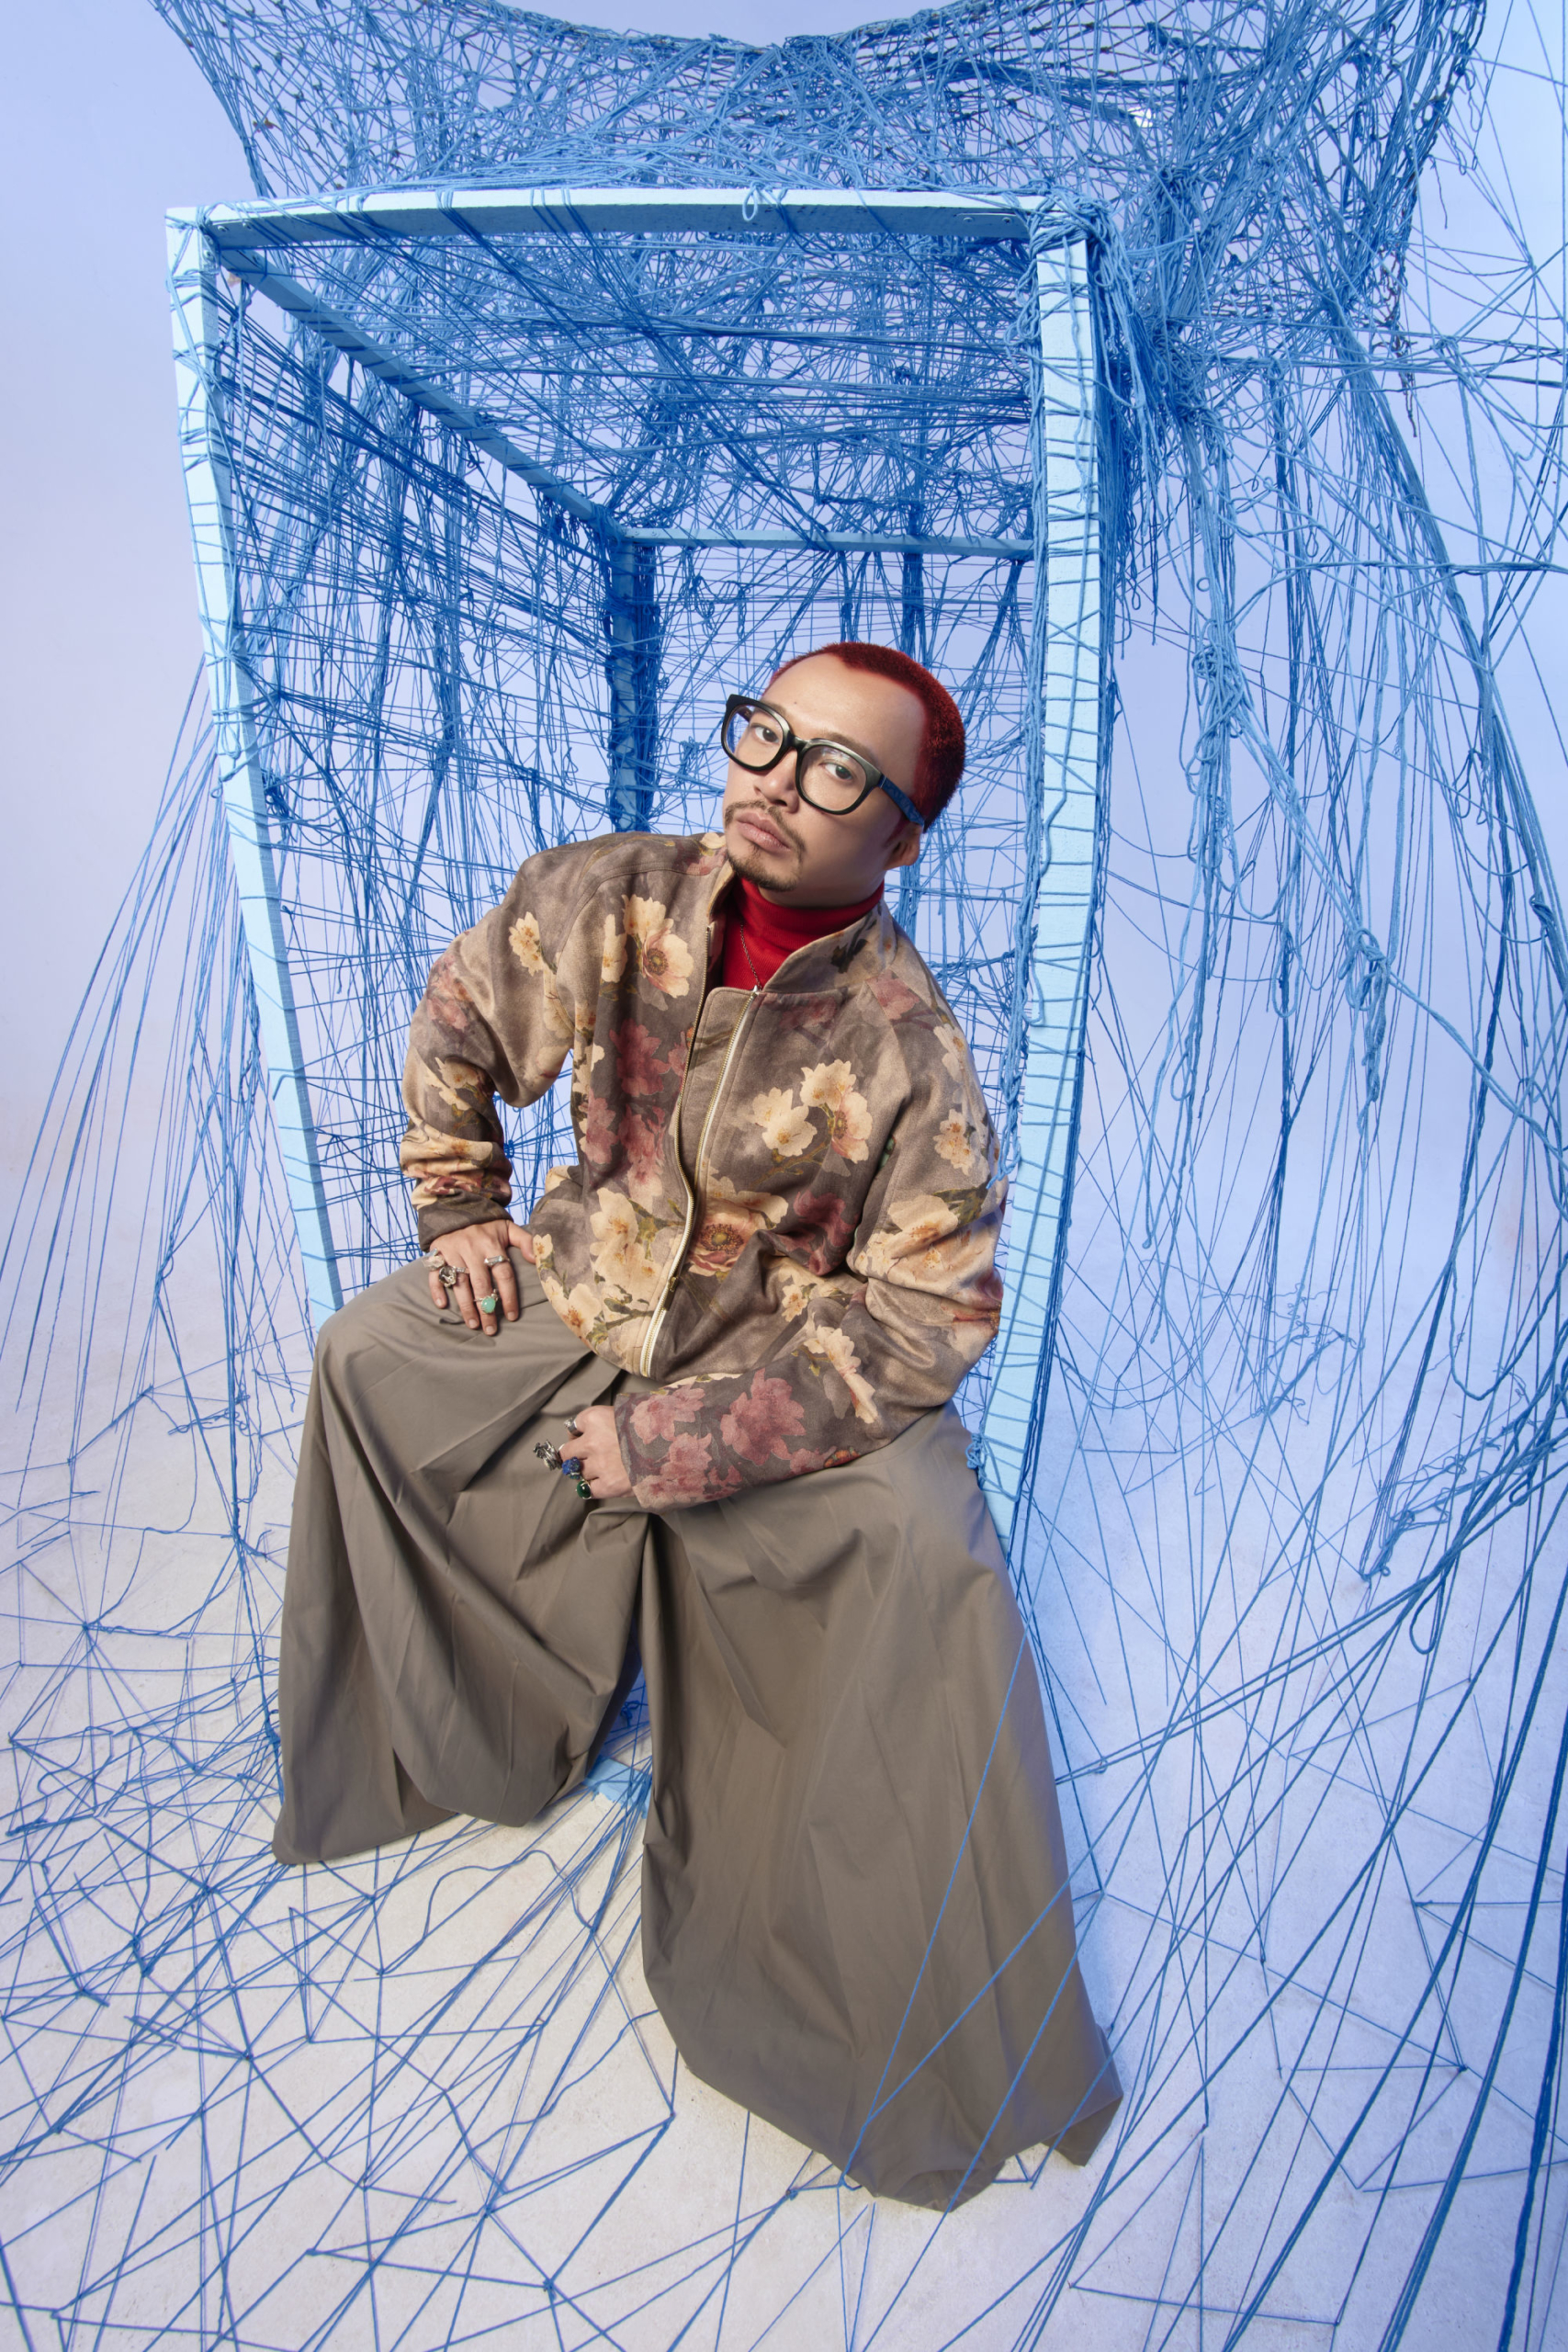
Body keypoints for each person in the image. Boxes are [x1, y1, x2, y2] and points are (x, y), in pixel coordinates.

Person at [271, 640, 1122, 2208]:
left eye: (838, 769)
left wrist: (682, 1447)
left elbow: (928, 1315)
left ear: (902, 837)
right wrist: (459, 1203)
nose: (777, 781)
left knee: (927, 1548)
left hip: (772, 1361)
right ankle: (454, 1739)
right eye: (766, 734)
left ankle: (881, 2013)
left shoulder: (909, 1046)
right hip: (590, 1284)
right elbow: (461, 1014)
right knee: (370, 1356)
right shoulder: (615, 893)